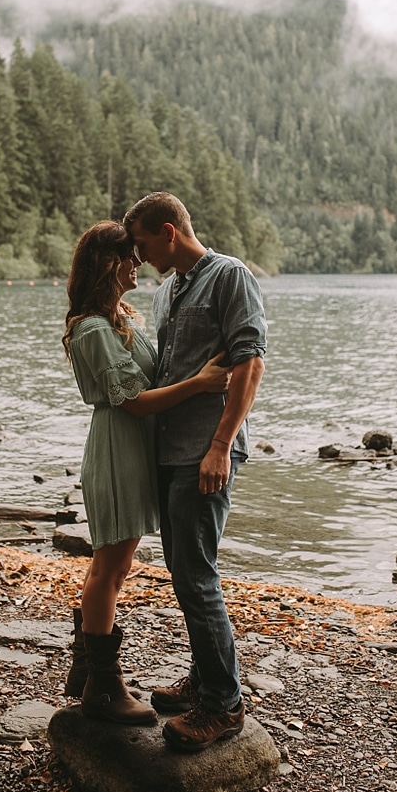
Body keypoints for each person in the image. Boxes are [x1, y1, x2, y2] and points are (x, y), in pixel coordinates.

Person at [60, 223, 233, 722]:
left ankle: (91, 673)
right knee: (108, 568)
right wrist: (201, 384)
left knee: (117, 566)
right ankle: (104, 686)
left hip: (137, 451)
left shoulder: (121, 318)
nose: (137, 265)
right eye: (128, 258)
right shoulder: (92, 327)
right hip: (118, 450)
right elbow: (134, 402)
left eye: (138, 255)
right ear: (106, 264)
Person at [122, 193, 268, 752]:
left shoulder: (230, 277)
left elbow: (250, 362)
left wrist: (221, 447)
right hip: (170, 452)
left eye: (142, 244)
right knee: (186, 575)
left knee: (197, 577)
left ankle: (223, 706)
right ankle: (207, 680)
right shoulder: (170, 289)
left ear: (168, 232)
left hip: (205, 454)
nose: (139, 256)